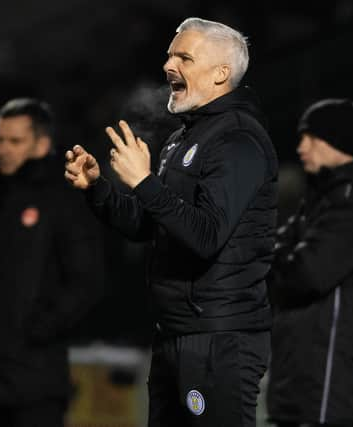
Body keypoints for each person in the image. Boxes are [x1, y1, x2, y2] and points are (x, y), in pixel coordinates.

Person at [65, 17, 278, 427]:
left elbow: (205, 235)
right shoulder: (183, 137)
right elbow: (149, 225)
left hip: (219, 337)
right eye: (168, 54)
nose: (167, 65)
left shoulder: (238, 140)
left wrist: (145, 182)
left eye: (184, 56)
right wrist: (99, 190)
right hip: (176, 333)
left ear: (221, 74)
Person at [0, 98, 103, 427]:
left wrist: (37, 329)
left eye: (15, 141)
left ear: (42, 144)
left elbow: (86, 281)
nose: (3, 148)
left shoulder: (62, 201)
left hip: (35, 384)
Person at [266, 99, 353, 427]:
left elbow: (306, 272)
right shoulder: (323, 198)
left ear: (335, 140)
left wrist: (276, 258)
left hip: (328, 378)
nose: (300, 147)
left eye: (310, 137)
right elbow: (271, 250)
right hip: (303, 372)